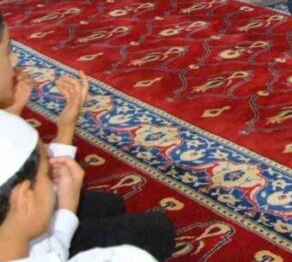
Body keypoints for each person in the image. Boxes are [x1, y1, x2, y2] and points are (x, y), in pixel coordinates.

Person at [1, 16, 175, 261]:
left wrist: (14, 117)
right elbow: (51, 251)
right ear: (24, 200)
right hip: (46, 242)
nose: (16, 59)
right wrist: (66, 212)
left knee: (108, 205)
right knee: (158, 229)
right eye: (7, 50)